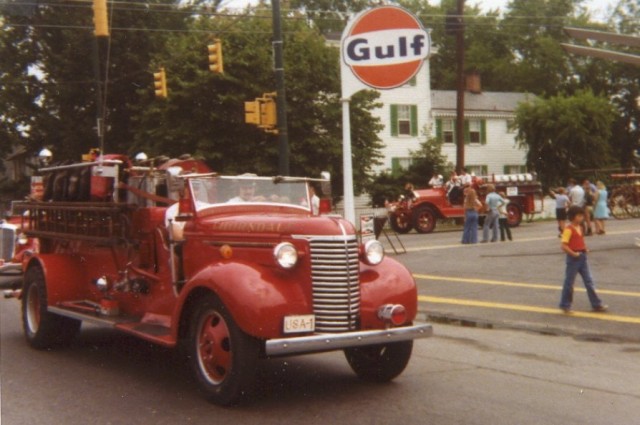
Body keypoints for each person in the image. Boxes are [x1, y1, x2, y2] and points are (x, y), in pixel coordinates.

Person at [559, 206, 608, 314]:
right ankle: (565, 305)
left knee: (589, 282)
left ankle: (596, 304)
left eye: (582, 216)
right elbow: (563, 246)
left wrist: (585, 248)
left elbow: (580, 241)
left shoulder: (580, 228)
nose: (581, 218)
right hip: (573, 258)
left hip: (582, 257)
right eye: (579, 216)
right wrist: (574, 254)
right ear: (572, 217)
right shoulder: (568, 229)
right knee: (569, 282)